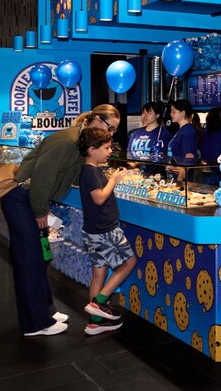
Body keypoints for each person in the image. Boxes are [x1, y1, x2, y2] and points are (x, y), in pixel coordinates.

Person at [3, 104, 120, 337]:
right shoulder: (67, 141)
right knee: (30, 259)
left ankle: (45, 310)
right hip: (22, 198)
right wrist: (40, 211)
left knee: (41, 256)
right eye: (110, 128)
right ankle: (35, 324)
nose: (111, 134)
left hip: (32, 200)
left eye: (114, 131)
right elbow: (42, 177)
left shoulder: (80, 143)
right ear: (97, 120)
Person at [78, 127, 135, 335]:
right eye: (106, 148)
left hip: (93, 230)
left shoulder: (89, 170)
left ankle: (95, 322)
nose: (110, 151)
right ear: (92, 150)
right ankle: (99, 302)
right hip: (105, 230)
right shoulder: (91, 171)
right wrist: (113, 180)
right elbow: (99, 198)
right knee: (129, 262)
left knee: (98, 272)